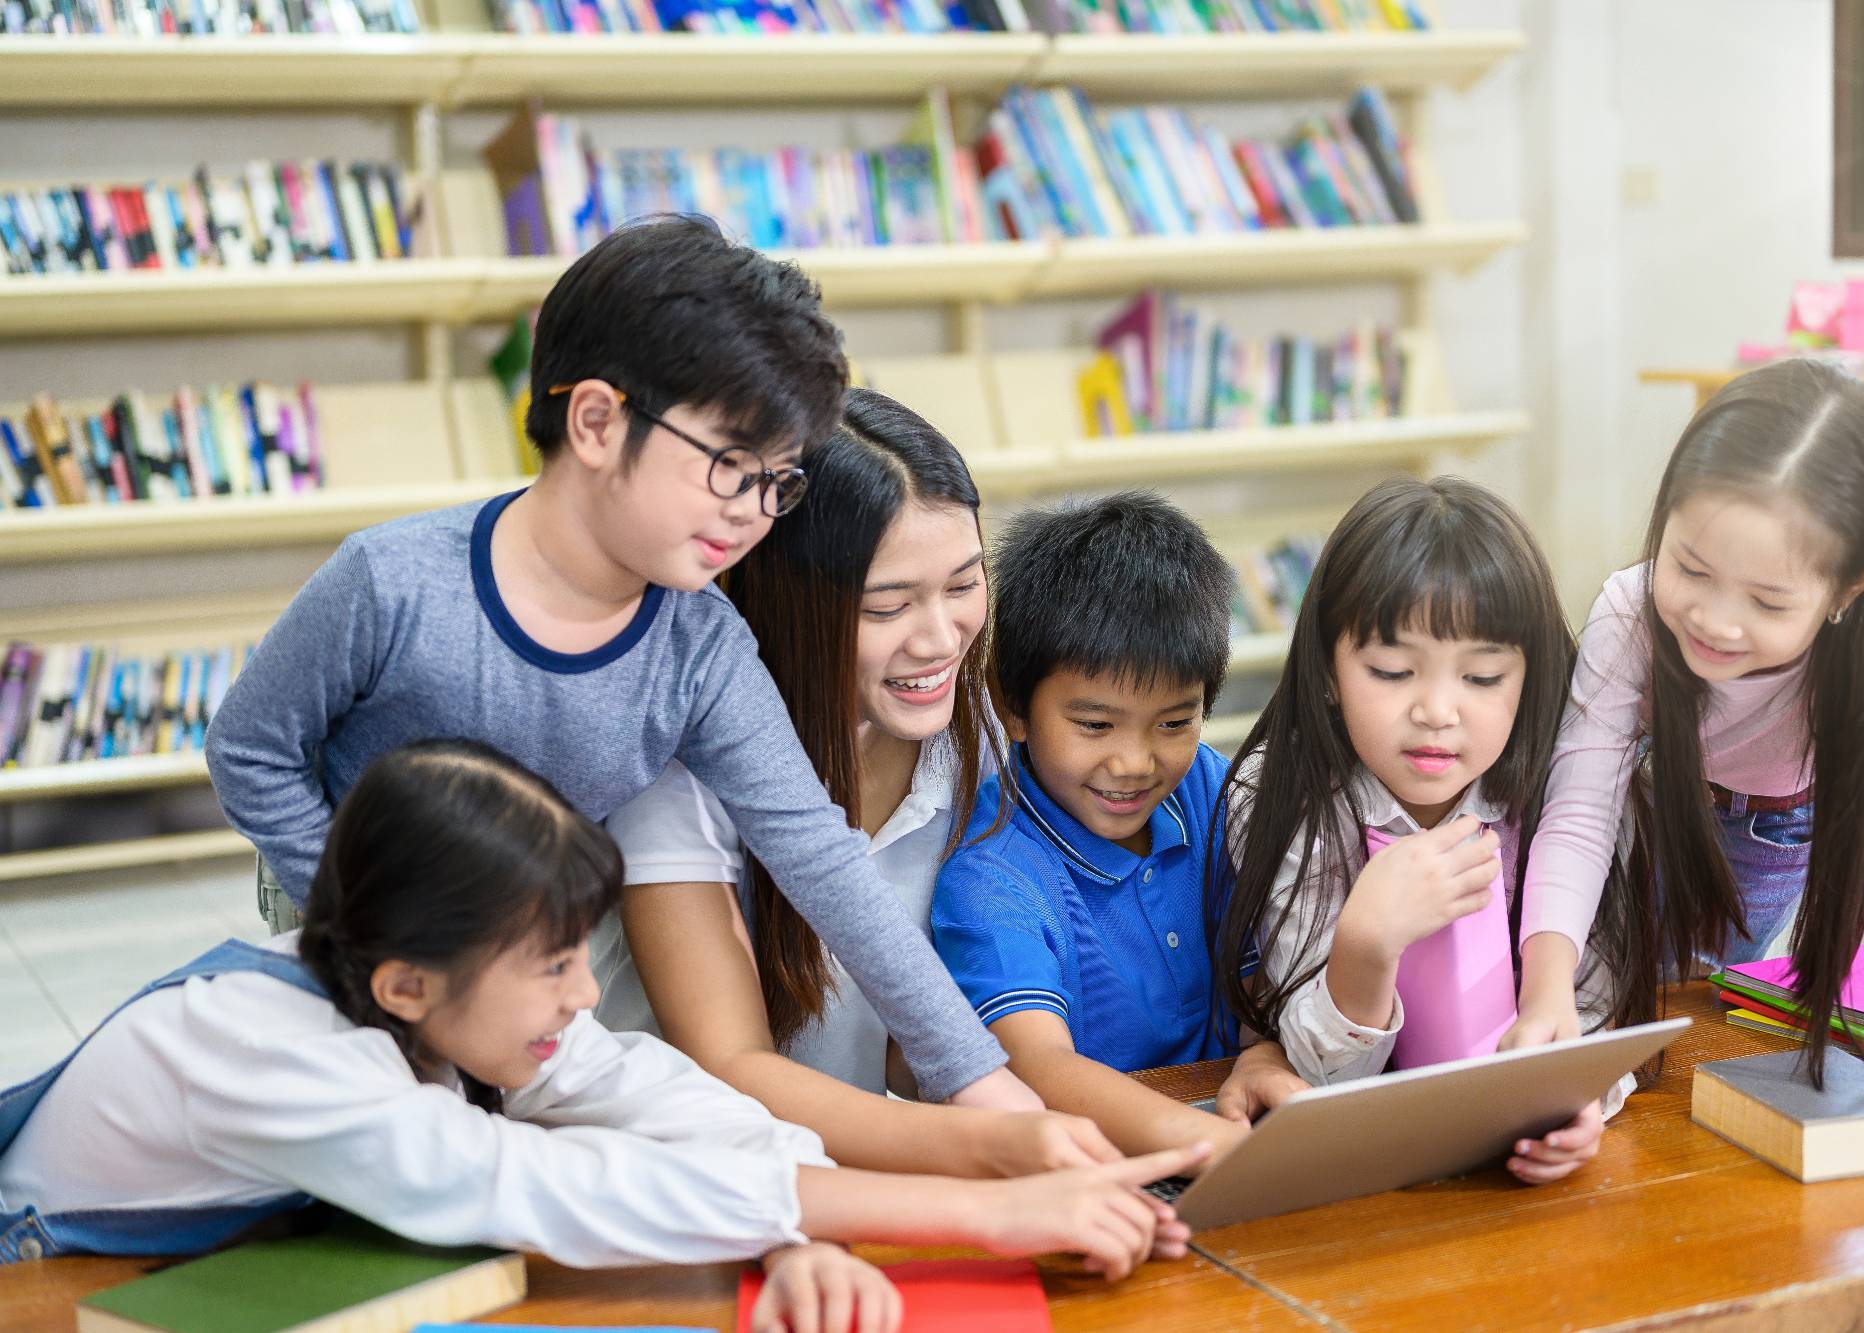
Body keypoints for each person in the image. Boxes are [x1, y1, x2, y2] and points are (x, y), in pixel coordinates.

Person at [204, 218, 1030, 1109]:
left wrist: (976, 1078)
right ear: (597, 421)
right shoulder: (391, 582)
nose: (755, 513)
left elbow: (822, 858)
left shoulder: (702, 645)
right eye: (729, 465)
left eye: (778, 480)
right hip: (359, 958)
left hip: (534, 969)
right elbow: (250, 751)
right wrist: (384, 938)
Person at [0, 740, 1205, 1333]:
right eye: (554, 963)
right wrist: (980, 1214)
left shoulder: (426, 989)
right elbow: (523, 1178)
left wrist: (797, 1225)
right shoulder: (262, 1046)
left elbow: (657, 1096)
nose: (584, 995)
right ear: (410, 983)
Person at [595, 387, 1117, 1177]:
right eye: (889, 605)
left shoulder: (983, 721)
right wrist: (990, 1138)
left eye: (964, 583)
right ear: (788, 604)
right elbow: (730, 1065)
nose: (941, 637)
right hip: (698, 1184)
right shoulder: (677, 767)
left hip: (893, 1169)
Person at [1507, 359, 1864, 1157]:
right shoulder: (1630, 609)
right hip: (1651, 815)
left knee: (1700, 1028)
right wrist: (1546, 992)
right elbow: (1580, 807)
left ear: (1851, 587)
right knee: (1604, 1018)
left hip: (1777, 837)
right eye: (1690, 568)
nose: (1714, 619)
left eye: (1768, 601)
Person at [1212, 476, 1612, 1183]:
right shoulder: (1280, 796)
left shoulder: (1559, 789)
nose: (1436, 710)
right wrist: (1367, 941)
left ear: (1528, 676)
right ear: (1328, 670)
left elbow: (1595, 1012)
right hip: (1357, 1186)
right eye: (1393, 670)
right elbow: (1319, 1083)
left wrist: (1578, 1099)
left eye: (1483, 676)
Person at [931, 491, 1298, 1166]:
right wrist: (1201, 1139)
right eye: (1096, 725)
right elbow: (1036, 1066)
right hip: (1107, 1166)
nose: (1135, 762)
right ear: (1013, 707)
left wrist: (1262, 1053)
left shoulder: (1213, 788)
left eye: (1174, 722)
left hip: (1229, 1129)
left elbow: (1266, 972)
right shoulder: (993, 868)